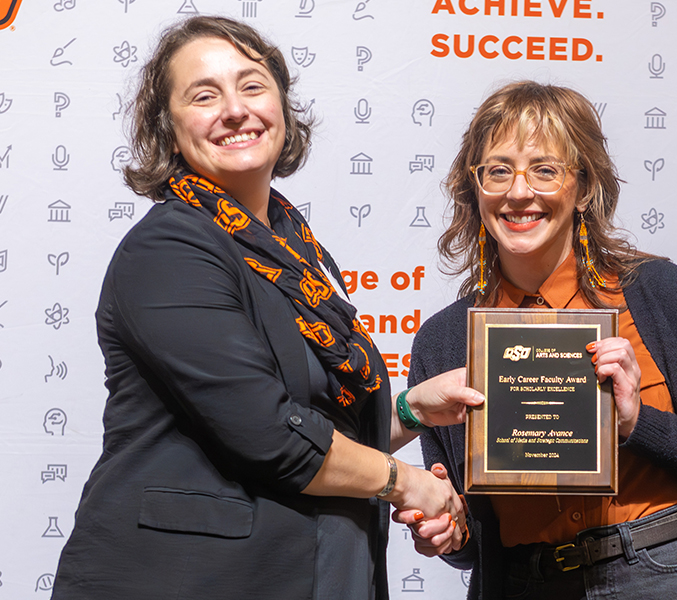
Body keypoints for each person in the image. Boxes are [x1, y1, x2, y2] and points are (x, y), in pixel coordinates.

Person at [51, 16, 482, 600]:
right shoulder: (170, 248)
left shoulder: (291, 250)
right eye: (204, 95)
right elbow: (269, 433)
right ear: (168, 130)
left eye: (252, 86)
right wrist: (406, 483)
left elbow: (318, 423)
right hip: (189, 580)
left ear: (281, 107)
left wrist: (412, 410)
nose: (235, 110)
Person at [398, 81, 677, 600]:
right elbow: (473, 543)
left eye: (545, 170)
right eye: (499, 170)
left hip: (670, 573)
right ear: (476, 188)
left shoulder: (655, 294)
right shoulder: (444, 341)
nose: (519, 192)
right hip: (530, 585)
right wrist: (448, 530)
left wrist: (637, 424)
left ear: (583, 189)